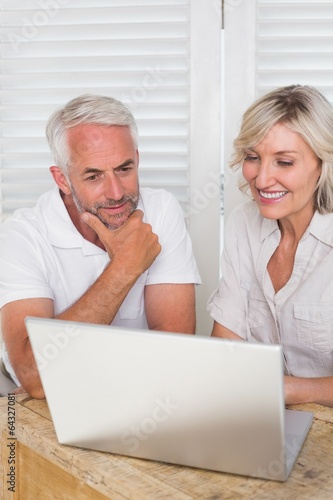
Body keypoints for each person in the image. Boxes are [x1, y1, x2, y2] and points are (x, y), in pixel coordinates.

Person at [0, 94, 201, 399]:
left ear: (137, 158)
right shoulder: (21, 235)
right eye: (93, 176)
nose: (116, 192)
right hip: (45, 405)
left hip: (140, 396)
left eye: (124, 169)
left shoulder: (161, 209)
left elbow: (176, 350)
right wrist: (124, 268)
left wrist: (69, 371)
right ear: (63, 180)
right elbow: (36, 377)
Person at [208, 84, 333, 408]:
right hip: (260, 420)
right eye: (253, 157)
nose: (262, 179)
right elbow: (226, 347)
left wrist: (285, 390)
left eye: (284, 162)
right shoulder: (242, 224)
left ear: (323, 163)